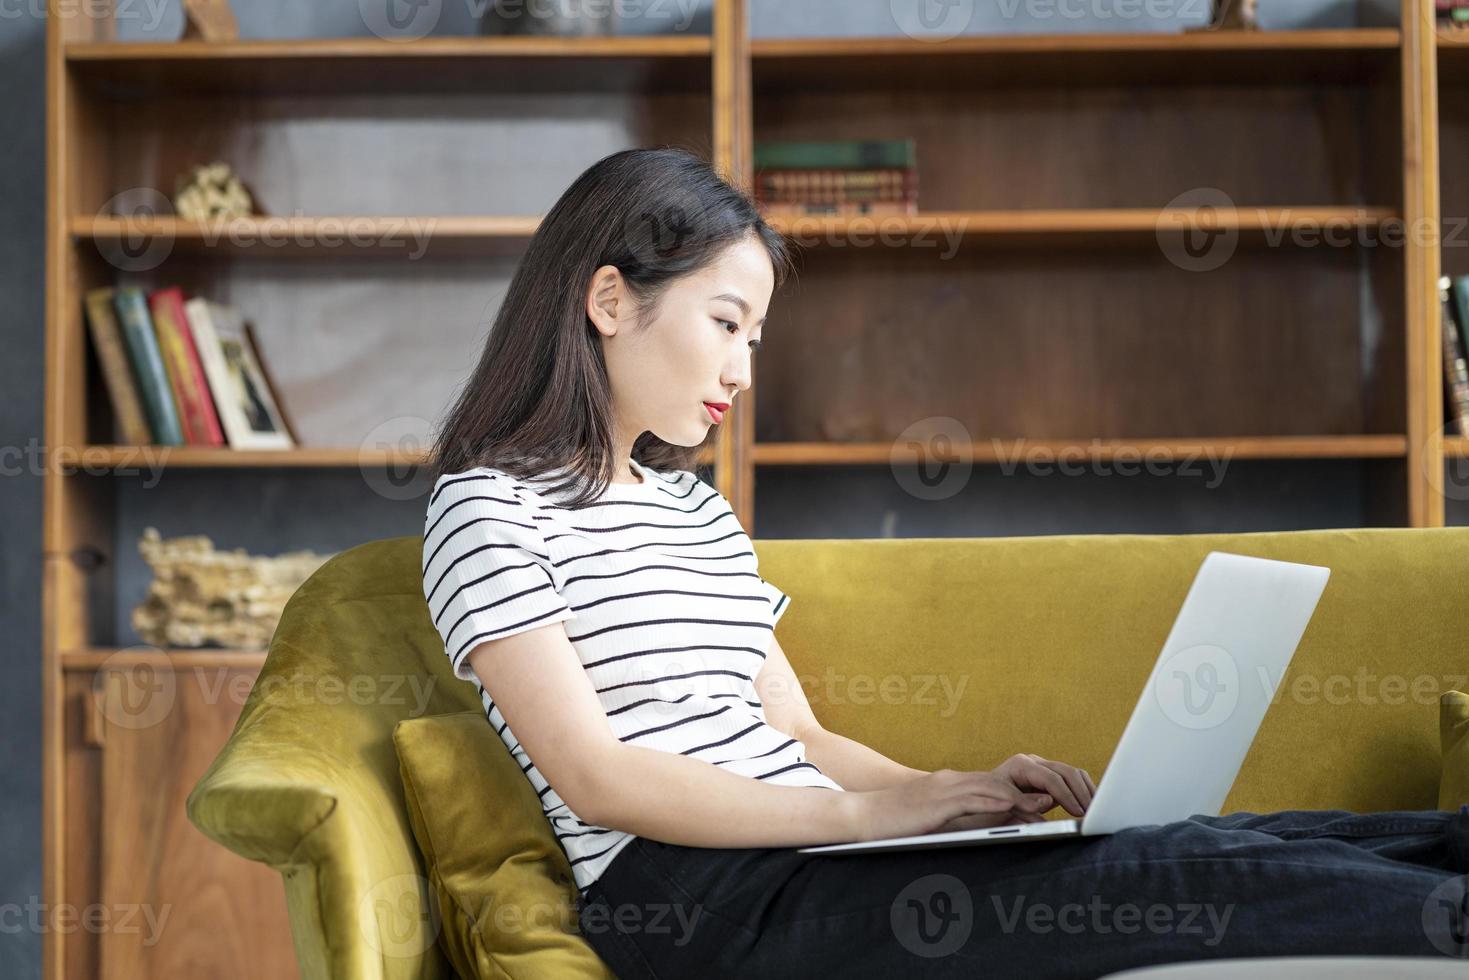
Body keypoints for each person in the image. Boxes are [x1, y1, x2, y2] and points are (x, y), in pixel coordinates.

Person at [421, 147, 1469, 978]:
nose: (743, 371)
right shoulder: (489, 506)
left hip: (809, 860)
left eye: (757, 338)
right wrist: (864, 817)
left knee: (1230, 838)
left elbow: (793, 730)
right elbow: (594, 777)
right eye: (727, 324)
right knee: (1147, 870)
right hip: (696, 904)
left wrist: (946, 790)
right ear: (609, 300)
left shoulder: (696, 510)